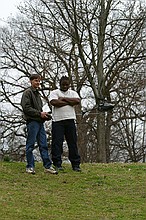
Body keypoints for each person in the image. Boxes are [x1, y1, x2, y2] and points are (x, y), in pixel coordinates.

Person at [21, 74, 57, 175]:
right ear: (31, 81)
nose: (38, 83)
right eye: (36, 81)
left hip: (40, 123)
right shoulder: (27, 93)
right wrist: (39, 114)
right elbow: (26, 108)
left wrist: (45, 115)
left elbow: (39, 110)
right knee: (30, 145)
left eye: (39, 81)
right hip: (32, 122)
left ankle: (47, 166)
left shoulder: (38, 94)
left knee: (43, 145)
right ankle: (30, 166)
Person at [49, 76, 81, 172]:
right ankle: (57, 163)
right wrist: (69, 102)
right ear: (60, 84)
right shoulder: (54, 92)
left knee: (72, 143)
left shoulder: (73, 93)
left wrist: (63, 99)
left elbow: (77, 101)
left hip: (70, 120)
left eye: (67, 84)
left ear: (69, 84)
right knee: (57, 143)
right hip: (57, 121)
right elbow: (54, 102)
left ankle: (75, 164)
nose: (65, 86)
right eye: (63, 84)